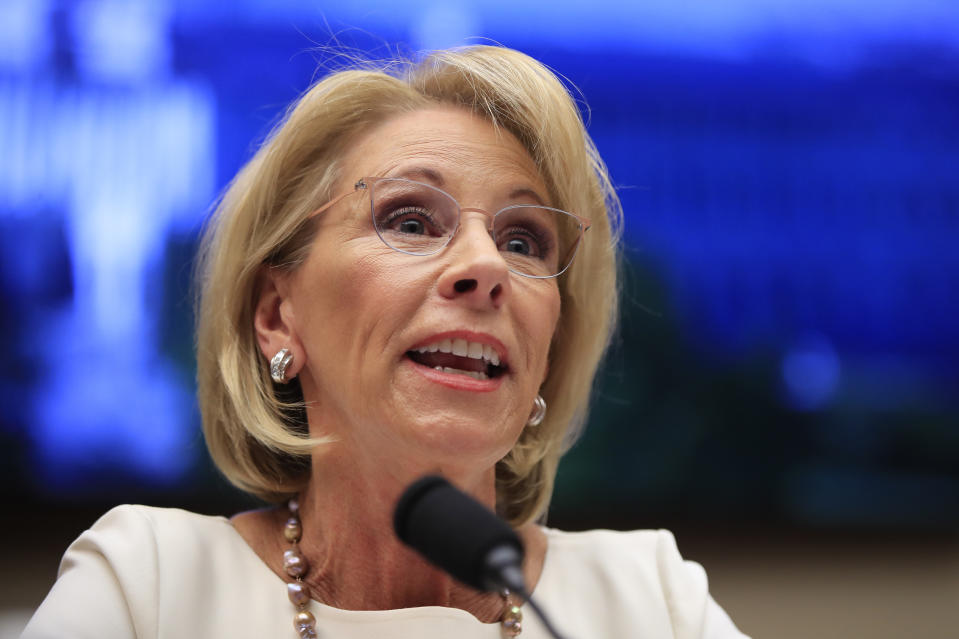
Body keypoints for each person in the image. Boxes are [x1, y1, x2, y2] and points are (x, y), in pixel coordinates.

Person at [22, 46, 749, 638]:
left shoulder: (650, 597)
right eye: (409, 221)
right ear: (277, 314)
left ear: (549, 351)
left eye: (523, 239)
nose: (486, 268)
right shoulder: (148, 584)